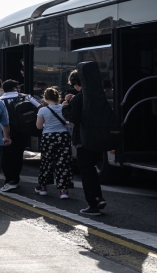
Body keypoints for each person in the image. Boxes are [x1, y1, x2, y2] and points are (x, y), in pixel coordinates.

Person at [62, 70, 107, 216]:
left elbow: (73, 118)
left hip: (83, 139)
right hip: (98, 138)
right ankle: (98, 197)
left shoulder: (77, 99)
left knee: (86, 171)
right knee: (92, 169)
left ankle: (93, 204)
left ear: (76, 83)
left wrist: (65, 106)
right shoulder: (98, 96)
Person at [0, 79, 42, 192]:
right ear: (15, 88)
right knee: (18, 155)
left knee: (6, 156)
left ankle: (9, 179)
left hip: (6, 130)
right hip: (23, 130)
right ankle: (15, 179)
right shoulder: (26, 97)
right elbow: (40, 107)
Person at [35, 88, 73, 199]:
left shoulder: (42, 110)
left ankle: (43, 188)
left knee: (46, 162)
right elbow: (70, 121)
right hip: (63, 136)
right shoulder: (63, 108)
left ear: (45, 98)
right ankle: (63, 191)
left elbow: (38, 126)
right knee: (63, 163)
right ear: (58, 97)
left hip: (48, 137)